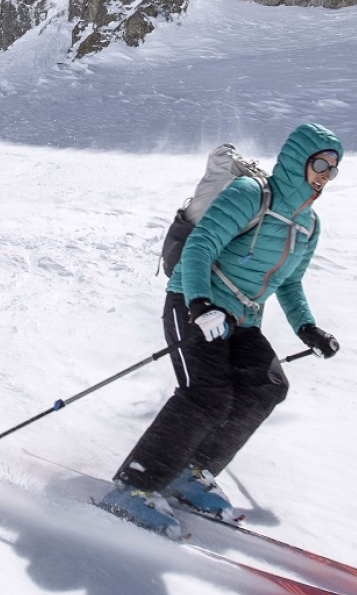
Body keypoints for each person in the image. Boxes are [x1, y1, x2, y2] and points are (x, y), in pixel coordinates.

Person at [101, 122, 344, 537]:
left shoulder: (309, 225)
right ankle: (133, 486)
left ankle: (191, 471)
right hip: (193, 304)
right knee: (207, 394)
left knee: (267, 386)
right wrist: (200, 304)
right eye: (319, 162)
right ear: (297, 158)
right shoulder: (251, 194)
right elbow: (199, 247)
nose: (325, 173)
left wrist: (308, 328)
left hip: (241, 320)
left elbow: (289, 281)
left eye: (333, 168)